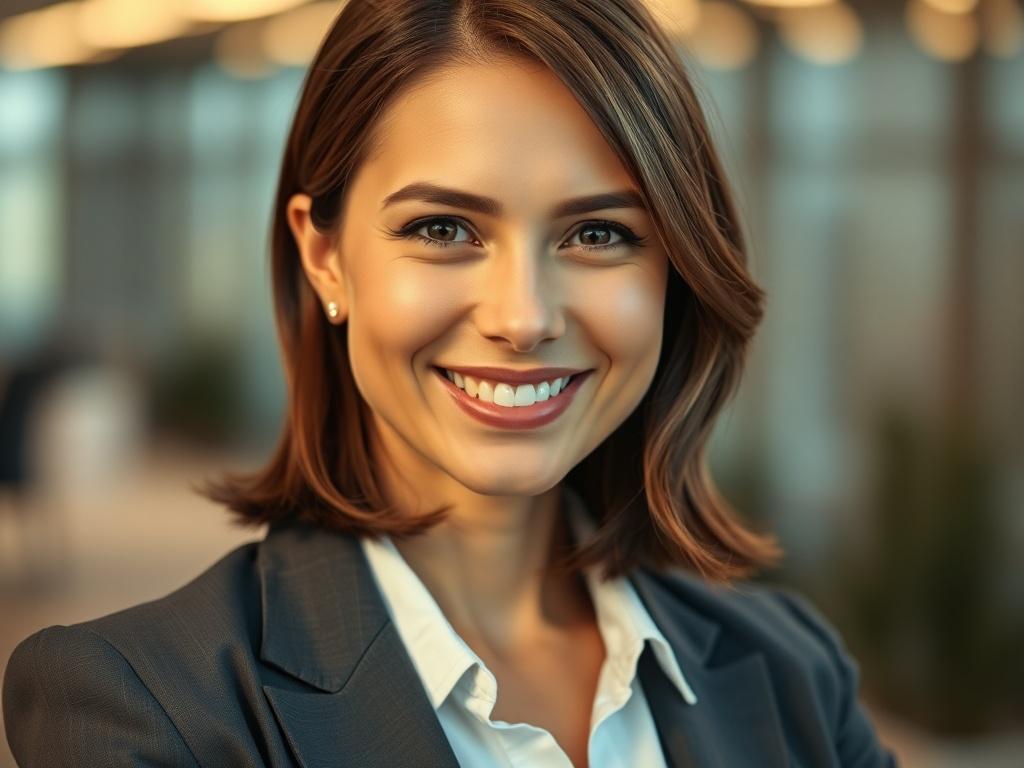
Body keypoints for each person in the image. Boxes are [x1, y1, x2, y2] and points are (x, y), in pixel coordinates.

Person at [3, 1, 899, 766]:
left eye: (597, 235)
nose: (523, 317)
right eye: (442, 230)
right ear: (326, 258)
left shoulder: (793, 673)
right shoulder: (145, 706)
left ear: (676, 267)